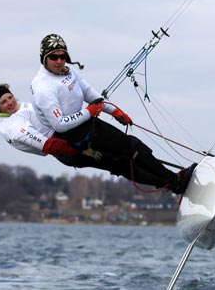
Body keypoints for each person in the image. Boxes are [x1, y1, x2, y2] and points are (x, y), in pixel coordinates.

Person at [30, 34, 193, 194]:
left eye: (62, 56)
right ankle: (175, 181)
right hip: (75, 135)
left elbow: (91, 95)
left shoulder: (69, 72)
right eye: (53, 57)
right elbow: (60, 124)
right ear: (44, 59)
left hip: (86, 126)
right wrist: (89, 112)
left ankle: (172, 184)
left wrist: (114, 111)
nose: (59, 61)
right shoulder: (44, 88)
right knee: (132, 147)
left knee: (124, 162)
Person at [0, 83, 171, 187]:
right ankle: (167, 183)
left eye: (10, 97)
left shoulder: (25, 106)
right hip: (65, 149)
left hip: (70, 136)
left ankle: (170, 178)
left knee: (125, 151)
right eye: (4, 102)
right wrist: (75, 147)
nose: (10, 102)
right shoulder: (10, 125)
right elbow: (45, 145)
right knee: (120, 164)